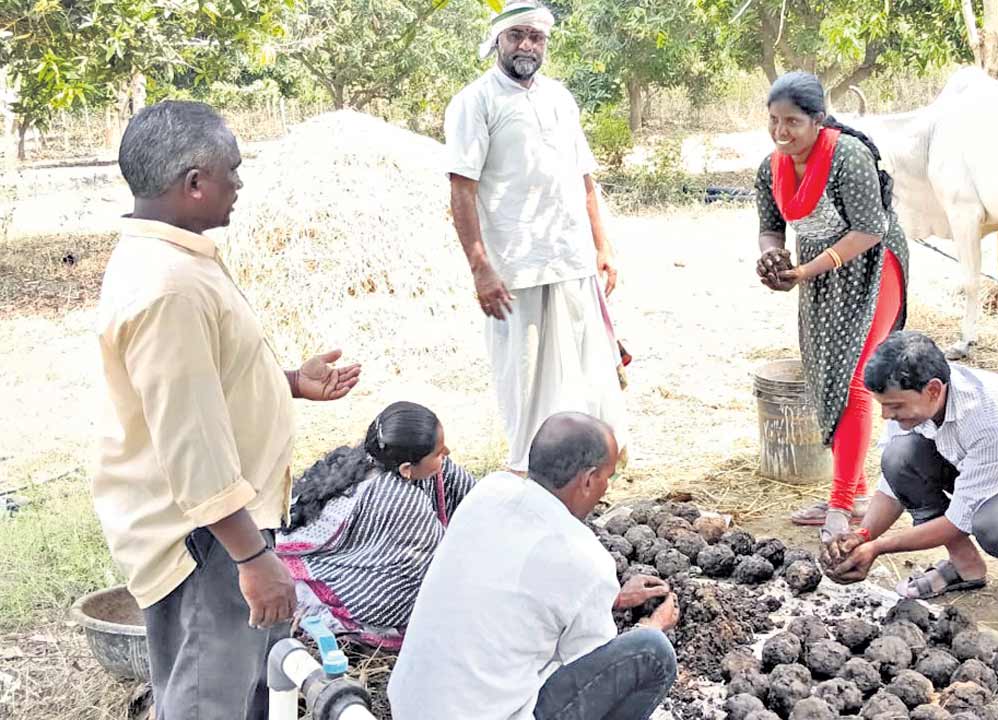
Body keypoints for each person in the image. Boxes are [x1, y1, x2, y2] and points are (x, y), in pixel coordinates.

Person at [93, 100, 361, 718]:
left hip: (217, 528)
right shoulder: (170, 287)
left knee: (247, 690)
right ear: (193, 184)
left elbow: (201, 382)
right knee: (207, 701)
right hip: (206, 538)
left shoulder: (175, 260)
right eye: (232, 172)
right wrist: (251, 556)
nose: (239, 184)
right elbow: (192, 442)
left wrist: (288, 382)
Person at [388, 412, 678, 720]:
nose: (606, 487)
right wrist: (648, 626)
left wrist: (613, 598)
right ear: (589, 479)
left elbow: (516, 591)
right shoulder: (584, 557)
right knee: (651, 651)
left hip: (410, 708)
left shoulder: (488, 492)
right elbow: (591, 671)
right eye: (608, 477)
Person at [444, 0, 627, 475]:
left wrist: (602, 246)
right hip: (514, 268)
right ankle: (532, 472)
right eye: (517, 35)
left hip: (572, 258)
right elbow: (462, 189)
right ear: (498, 41)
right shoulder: (474, 102)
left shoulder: (560, 98)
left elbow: (584, 178)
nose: (527, 45)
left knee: (587, 371)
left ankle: (589, 465)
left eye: (536, 37)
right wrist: (481, 267)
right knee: (524, 379)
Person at [821, 331, 998, 614]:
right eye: (883, 406)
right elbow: (892, 487)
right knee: (899, 458)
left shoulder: (991, 417)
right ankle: (965, 565)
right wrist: (862, 536)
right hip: (979, 467)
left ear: (934, 390)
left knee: (994, 528)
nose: (886, 416)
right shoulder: (912, 404)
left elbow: (959, 521)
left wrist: (877, 548)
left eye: (894, 406)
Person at [754, 71, 910, 541]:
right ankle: (855, 490)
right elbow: (770, 225)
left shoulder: (848, 156)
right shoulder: (771, 167)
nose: (782, 133)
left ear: (818, 121)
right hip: (819, 274)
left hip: (870, 268)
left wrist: (804, 272)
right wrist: (771, 256)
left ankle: (841, 505)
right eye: (774, 121)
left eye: (793, 123)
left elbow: (870, 229)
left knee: (858, 378)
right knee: (826, 374)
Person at [276, 401, 476, 649]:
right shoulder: (401, 502)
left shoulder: (379, 458)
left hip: (332, 559)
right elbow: (441, 569)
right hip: (338, 582)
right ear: (406, 469)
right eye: (438, 452)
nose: (447, 451)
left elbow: (475, 497)